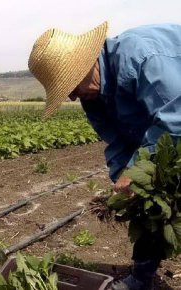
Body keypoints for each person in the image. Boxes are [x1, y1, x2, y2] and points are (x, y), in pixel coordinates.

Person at [28, 22, 181, 290]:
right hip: (169, 129)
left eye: (71, 86)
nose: (73, 97)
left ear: (85, 64)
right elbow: (118, 143)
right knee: (147, 200)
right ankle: (142, 278)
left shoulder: (141, 57)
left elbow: (176, 121)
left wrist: (134, 172)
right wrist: (124, 183)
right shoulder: (94, 96)